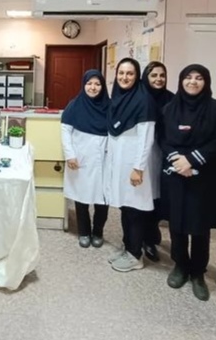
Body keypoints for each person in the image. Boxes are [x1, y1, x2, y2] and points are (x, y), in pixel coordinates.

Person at [159, 64, 216, 301]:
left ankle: (198, 272)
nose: (193, 82)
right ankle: (180, 265)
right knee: (177, 222)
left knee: (199, 225)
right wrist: (179, 161)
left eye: (199, 78)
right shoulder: (169, 108)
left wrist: (191, 161)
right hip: (176, 173)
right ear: (181, 81)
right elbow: (163, 139)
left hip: (203, 174)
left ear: (206, 82)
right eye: (188, 77)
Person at [104, 58, 157, 272]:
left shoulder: (143, 100)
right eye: (121, 73)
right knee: (126, 208)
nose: (125, 77)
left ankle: (136, 255)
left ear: (137, 77)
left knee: (135, 210)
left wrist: (138, 168)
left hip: (135, 166)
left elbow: (146, 139)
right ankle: (128, 248)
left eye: (130, 73)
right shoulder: (117, 98)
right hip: (120, 164)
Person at [61, 70, 110, 248]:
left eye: (97, 84)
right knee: (81, 197)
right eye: (89, 83)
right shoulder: (74, 105)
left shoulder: (110, 106)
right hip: (80, 158)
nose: (93, 87)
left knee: (103, 199)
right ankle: (84, 231)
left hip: (104, 159)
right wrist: (70, 155)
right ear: (84, 85)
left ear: (102, 86)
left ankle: (98, 232)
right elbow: (65, 131)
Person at [140, 61, 174, 262]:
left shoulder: (172, 99)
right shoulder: (139, 97)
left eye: (162, 75)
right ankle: (146, 238)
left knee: (159, 196)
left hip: (165, 152)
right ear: (146, 77)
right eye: (154, 75)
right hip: (144, 153)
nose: (159, 79)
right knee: (144, 194)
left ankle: (152, 232)